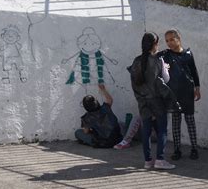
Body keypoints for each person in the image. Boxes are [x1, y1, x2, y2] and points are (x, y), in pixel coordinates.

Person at [129, 32, 176, 170]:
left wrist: (140, 98)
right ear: (155, 44)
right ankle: (160, 159)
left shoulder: (136, 61)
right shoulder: (158, 60)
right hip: (157, 100)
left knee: (146, 131)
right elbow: (165, 80)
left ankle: (148, 161)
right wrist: (166, 69)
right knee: (162, 130)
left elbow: (134, 83)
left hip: (142, 101)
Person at [160, 29, 201, 160]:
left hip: (187, 91)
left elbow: (194, 71)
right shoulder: (166, 55)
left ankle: (194, 148)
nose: (169, 43)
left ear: (179, 38)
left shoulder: (188, 54)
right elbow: (153, 58)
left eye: (172, 39)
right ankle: (177, 149)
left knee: (190, 120)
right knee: (176, 121)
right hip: (174, 92)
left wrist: (197, 88)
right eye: (167, 40)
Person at [75, 84, 123, 148]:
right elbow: (110, 99)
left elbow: (85, 132)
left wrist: (91, 129)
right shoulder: (105, 108)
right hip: (117, 139)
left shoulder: (87, 117)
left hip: (102, 142)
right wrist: (103, 89)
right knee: (121, 124)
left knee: (78, 132)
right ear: (96, 102)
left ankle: (89, 142)